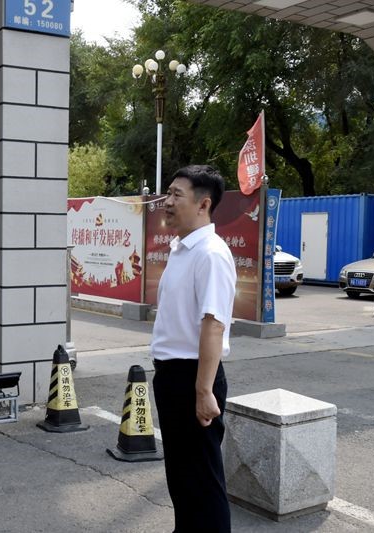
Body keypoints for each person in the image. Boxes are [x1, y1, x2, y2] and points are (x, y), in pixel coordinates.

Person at [151, 165, 236, 532]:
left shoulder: (211, 254)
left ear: (203, 204)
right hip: (172, 376)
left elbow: (213, 324)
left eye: (176, 195)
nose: (167, 202)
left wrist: (203, 391)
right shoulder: (182, 249)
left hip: (194, 377)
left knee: (203, 483)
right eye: (168, 193)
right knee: (183, 479)